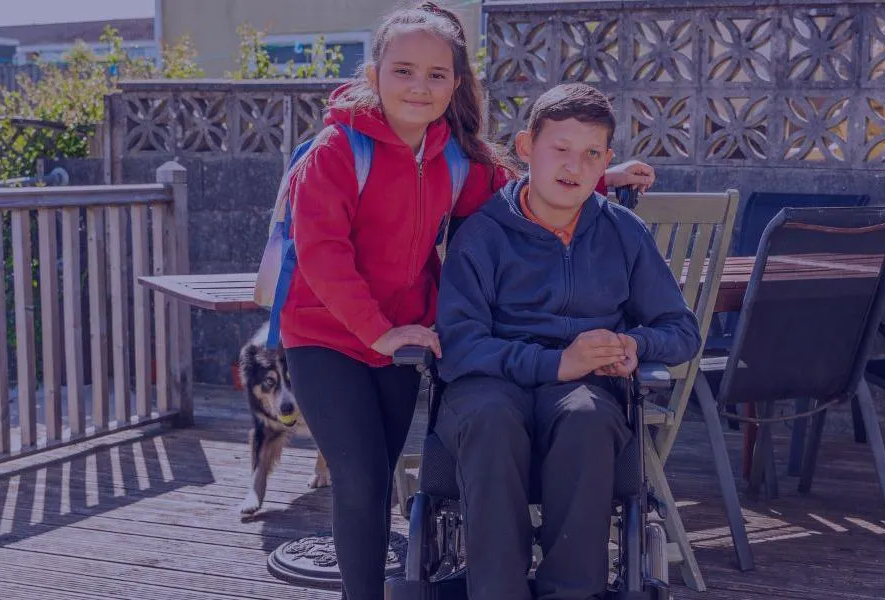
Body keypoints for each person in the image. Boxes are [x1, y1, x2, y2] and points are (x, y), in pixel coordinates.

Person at [276, 3, 656, 598]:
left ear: (455, 84)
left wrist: (599, 175)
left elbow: (533, 187)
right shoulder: (337, 150)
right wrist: (377, 330)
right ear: (373, 75)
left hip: (403, 338)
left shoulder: (454, 158)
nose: (419, 86)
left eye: (436, 74)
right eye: (403, 71)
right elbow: (321, 252)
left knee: (380, 479)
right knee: (359, 477)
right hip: (325, 334)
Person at [433, 83, 703, 600]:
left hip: (585, 391)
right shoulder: (483, 234)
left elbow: (681, 329)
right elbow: (460, 346)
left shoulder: (623, 232)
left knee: (586, 416)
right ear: (526, 147)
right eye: (560, 148)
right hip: (488, 385)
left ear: (605, 160)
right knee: (490, 418)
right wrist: (557, 363)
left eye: (592, 154)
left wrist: (633, 345)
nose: (574, 166)